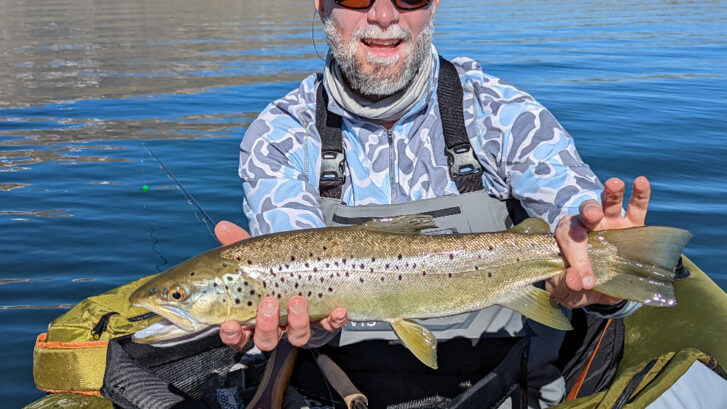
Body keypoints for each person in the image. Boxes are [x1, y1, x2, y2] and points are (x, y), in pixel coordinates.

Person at [214, 0, 651, 407]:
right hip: (338, 391)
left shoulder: (504, 114)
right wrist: (302, 327)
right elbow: (298, 302)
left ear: (435, 4)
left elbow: (576, 214)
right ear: (321, 3)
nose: (384, 15)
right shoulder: (279, 136)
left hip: (505, 389)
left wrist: (604, 284)